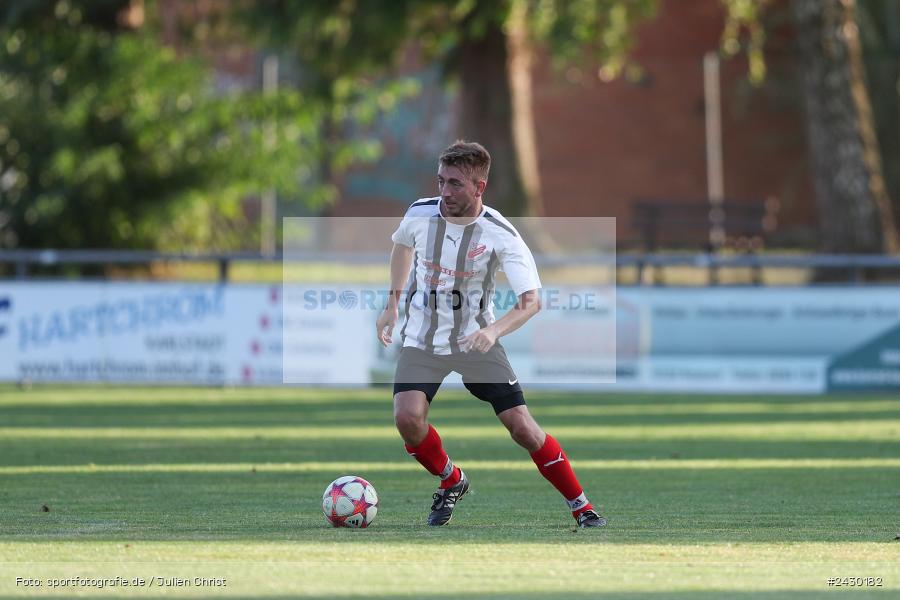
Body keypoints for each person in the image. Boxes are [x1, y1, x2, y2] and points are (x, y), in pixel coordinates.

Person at [375, 140, 606, 528]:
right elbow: (401, 246)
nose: (444, 192)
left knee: (522, 427)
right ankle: (451, 479)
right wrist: (392, 304)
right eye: (441, 181)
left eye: (455, 184)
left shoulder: (501, 234)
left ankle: (581, 506)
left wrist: (493, 330)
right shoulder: (419, 214)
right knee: (407, 419)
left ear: (479, 187)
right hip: (423, 340)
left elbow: (531, 301)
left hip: (476, 342)